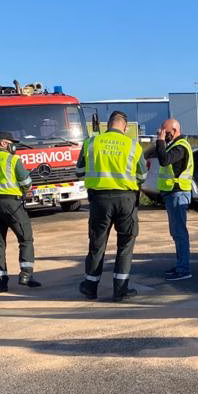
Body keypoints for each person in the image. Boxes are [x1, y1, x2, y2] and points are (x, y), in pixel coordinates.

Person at [76, 111, 147, 300]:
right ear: (124, 127)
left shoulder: (91, 143)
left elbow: (79, 171)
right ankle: (120, 290)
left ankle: (90, 287)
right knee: (125, 245)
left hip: (99, 200)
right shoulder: (133, 146)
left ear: (108, 125)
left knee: (97, 244)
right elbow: (142, 176)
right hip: (126, 200)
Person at [0, 132, 40, 292]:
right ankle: (26, 274)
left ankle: (1, 282)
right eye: (13, 143)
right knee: (25, 238)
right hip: (11, 204)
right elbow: (26, 182)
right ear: (5, 144)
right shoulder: (13, 160)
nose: (15, 147)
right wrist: (26, 189)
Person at [146, 118, 194, 281]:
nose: (162, 134)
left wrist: (160, 141)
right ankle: (181, 265)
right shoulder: (174, 145)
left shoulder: (181, 147)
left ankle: (184, 269)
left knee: (180, 233)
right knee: (176, 233)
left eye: (165, 132)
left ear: (174, 130)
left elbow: (164, 159)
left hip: (178, 193)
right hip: (171, 194)